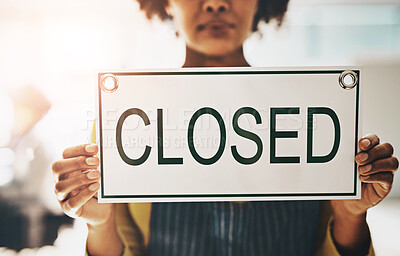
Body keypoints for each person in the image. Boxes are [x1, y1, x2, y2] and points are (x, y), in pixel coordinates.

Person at [51, 0, 399, 255]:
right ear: (166, 3)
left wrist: (351, 215)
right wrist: (98, 223)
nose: (216, 3)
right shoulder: (123, 117)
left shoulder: (320, 110)